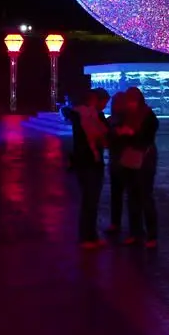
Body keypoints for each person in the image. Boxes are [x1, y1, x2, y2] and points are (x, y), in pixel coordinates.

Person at [62, 88, 111, 248]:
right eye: (102, 101)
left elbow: (105, 133)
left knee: (92, 200)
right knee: (89, 200)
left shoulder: (93, 116)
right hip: (88, 161)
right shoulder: (83, 116)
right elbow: (95, 135)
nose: (104, 106)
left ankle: (92, 235)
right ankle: (86, 237)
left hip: (94, 160)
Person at [117, 87, 160, 247]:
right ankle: (135, 232)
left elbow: (147, 138)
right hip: (130, 159)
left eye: (133, 100)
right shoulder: (126, 116)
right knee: (132, 197)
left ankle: (152, 235)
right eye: (128, 101)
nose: (130, 104)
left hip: (145, 160)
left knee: (145, 197)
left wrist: (131, 134)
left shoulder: (149, 116)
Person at [104, 91, 131, 236]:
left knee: (117, 195)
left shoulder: (110, 120)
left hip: (117, 162)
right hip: (126, 162)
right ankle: (133, 227)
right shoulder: (130, 120)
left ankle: (116, 224)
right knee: (129, 195)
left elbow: (106, 141)